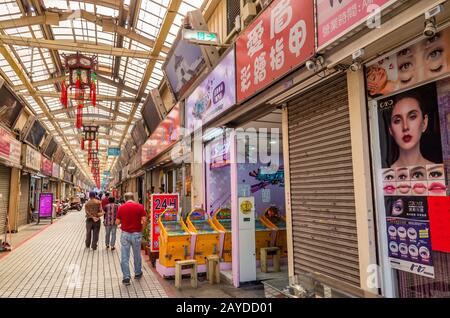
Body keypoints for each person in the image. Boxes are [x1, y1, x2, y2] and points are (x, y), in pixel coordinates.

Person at [388, 94, 435, 168]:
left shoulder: (439, 171)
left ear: (424, 123)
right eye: (397, 121)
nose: (405, 127)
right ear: (390, 129)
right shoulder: (383, 175)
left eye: (412, 117)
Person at [116, 192, 147, 286]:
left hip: (125, 234)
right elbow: (144, 220)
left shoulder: (121, 207)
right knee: (137, 254)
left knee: (125, 256)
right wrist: (141, 230)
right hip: (136, 234)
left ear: (125, 199)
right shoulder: (140, 206)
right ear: (134, 198)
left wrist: (123, 221)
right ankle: (137, 273)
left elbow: (117, 222)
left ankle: (126, 277)